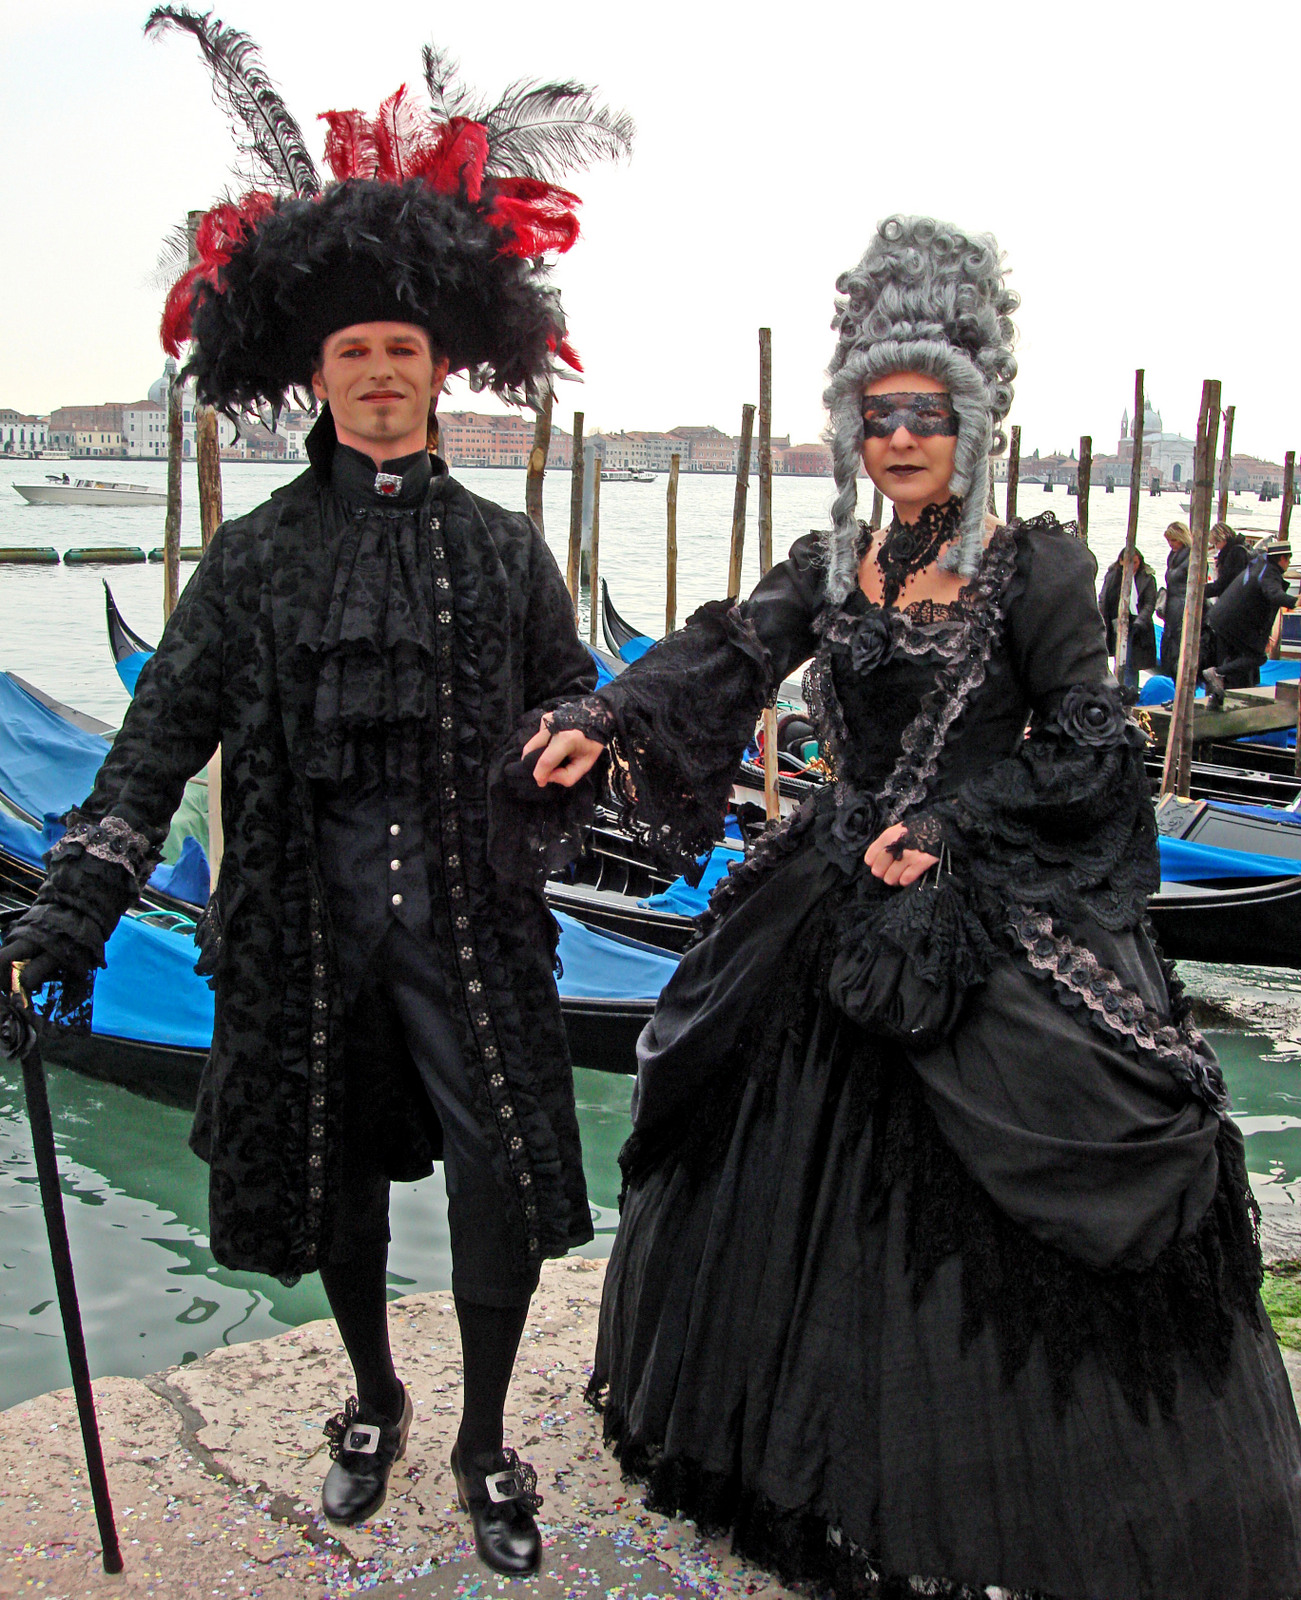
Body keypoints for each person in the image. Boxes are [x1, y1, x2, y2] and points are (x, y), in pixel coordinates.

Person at [522, 216, 1301, 1599]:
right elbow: (728, 651)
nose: (897, 438)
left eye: (925, 414)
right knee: (749, 1134)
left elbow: (1091, 743)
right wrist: (605, 712)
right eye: (875, 415)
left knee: (1056, 1161)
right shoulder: (834, 562)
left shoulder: (1036, 567)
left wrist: (948, 823)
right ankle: (790, 1462)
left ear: (973, 421)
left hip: (984, 902)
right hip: (829, 897)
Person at [0, 69, 621, 1577]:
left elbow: (578, 696)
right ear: (318, 375)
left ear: (441, 366)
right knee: (333, 1176)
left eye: (403, 349)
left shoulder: (506, 552)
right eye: (355, 353)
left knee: (495, 1178)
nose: (381, 374)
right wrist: (68, 916)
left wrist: (577, 738)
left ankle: (482, 1443)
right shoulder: (256, 559)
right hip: (304, 928)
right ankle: (374, 1397)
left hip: (472, 927)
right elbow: (152, 748)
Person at [1204, 538, 1297, 704]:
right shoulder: (1270, 573)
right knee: (1257, 657)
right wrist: (1294, 601)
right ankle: (1217, 673)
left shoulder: (1259, 564)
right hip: (1233, 624)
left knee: (1233, 659)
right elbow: (1273, 593)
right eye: (1288, 559)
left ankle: (1216, 696)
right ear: (1282, 559)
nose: (1289, 563)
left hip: (1222, 619)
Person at [1098, 544, 1157, 690]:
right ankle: (1118, 689)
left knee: (1131, 662)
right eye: (1129, 562)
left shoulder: (1147, 577)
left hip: (1136, 622)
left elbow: (1150, 603)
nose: (1132, 566)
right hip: (1116, 621)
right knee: (1118, 659)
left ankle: (1130, 691)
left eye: (1135, 563)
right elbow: (1104, 598)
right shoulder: (1112, 576)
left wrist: (1140, 621)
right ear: (1121, 561)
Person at [1156, 518, 1191, 676]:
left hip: (1182, 605)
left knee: (1177, 642)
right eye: (1169, 541)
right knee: (1169, 642)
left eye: (1174, 540)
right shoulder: (1173, 557)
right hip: (1172, 605)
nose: (1171, 544)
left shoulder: (1191, 557)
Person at [1205, 519, 1252, 598]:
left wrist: (1204, 590)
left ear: (1222, 539)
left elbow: (1224, 582)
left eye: (1216, 543)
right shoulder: (1241, 549)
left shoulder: (1235, 553)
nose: (1217, 547)